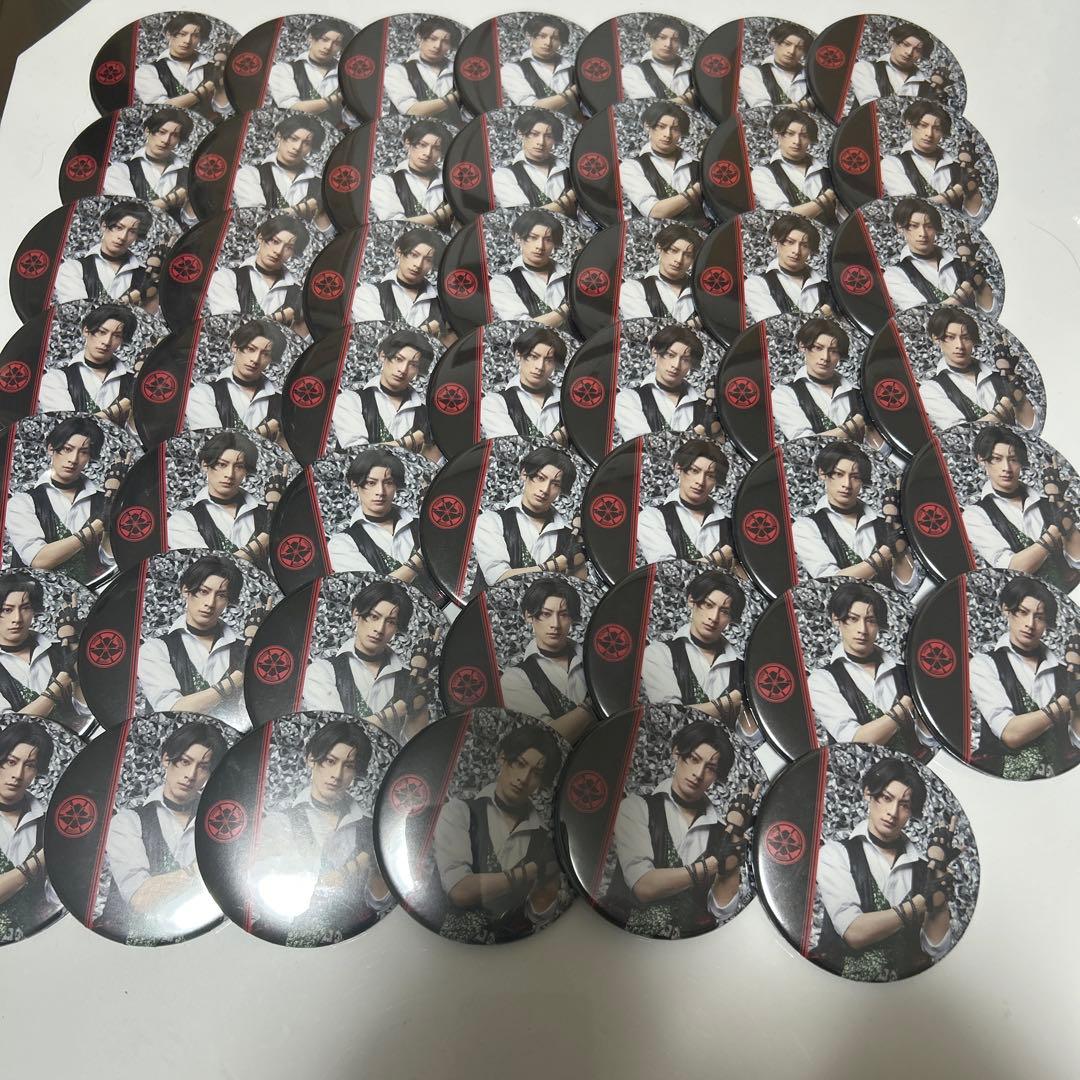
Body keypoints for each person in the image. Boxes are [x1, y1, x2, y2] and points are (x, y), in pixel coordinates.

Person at [814, 756, 958, 980]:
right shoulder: (836, 854)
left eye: (904, 805)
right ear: (868, 794)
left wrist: (938, 875)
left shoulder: (924, 869)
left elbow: (935, 949)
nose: (893, 812)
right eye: (886, 798)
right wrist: (920, 903)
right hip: (836, 983)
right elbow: (854, 932)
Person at [609, 720, 755, 938]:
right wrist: (712, 864)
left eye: (710, 768)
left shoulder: (721, 832)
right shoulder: (636, 808)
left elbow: (721, 910)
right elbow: (643, 887)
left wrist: (735, 834)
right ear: (677, 753)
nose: (698, 773)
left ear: (717, 777)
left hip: (688, 947)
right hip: (623, 941)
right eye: (694, 759)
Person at [253, 720, 392, 945]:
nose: (337, 774)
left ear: (356, 772)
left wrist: (373, 869)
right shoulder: (279, 823)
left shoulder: (369, 827)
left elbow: (380, 902)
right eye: (330, 761)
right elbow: (265, 900)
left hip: (359, 942)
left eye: (348, 766)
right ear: (311, 759)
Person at [98, 720, 228, 943]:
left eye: (203, 767)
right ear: (166, 759)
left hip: (202, 939)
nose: (191, 775)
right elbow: (141, 899)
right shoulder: (127, 822)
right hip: (127, 943)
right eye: (185, 761)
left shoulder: (220, 820)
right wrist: (203, 869)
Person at [434, 722, 563, 943]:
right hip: (445, 946)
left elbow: (537, 915)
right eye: (520, 764)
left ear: (541, 783)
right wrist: (533, 870)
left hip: (510, 950)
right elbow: (459, 891)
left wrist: (549, 887)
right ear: (502, 759)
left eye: (536, 773)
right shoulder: (459, 812)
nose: (524, 778)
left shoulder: (543, 839)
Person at [969, 575, 1080, 780]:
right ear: (1006, 610)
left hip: (1056, 781)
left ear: (1047, 623)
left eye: (1039, 617)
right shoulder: (984, 664)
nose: (1030, 624)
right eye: (1022, 612)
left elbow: (1075, 743)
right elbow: (1010, 734)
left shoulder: (1063, 672)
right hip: (1002, 781)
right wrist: (1065, 703)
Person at [807, 583, 932, 755]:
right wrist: (904, 707)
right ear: (836, 620)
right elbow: (855, 743)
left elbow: (928, 739)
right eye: (853, 619)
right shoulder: (822, 680)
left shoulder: (905, 670)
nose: (862, 630)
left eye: (871, 621)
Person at [302, 581, 434, 743]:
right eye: (374, 616)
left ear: (397, 628)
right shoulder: (322, 671)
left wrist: (420, 684)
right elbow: (337, 736)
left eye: (391, 622)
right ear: (356, 614)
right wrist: (401, 707)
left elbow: (413, 744)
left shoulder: (409, 678)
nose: (379, 629)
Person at [791, 441, 923, 595]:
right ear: (822, 473)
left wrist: (898, 532)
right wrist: (885, 553)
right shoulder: (805, 527)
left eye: (855, 477)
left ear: (862, 481)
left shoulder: (884, 523)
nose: (846, 484)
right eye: (839, 474)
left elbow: (908, 586)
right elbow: (831, 583)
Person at [136, 554, 253, 729]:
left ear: (228, 601)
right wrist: (235, 681)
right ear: (185, 590)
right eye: (203, 591)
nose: (210, 603)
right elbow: (172, 712)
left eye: (221, 595)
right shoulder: (155, 650)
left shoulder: (245, 648)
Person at [640, 570, 758, 742]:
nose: (713, 617)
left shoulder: (742, 669)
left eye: (724, 611)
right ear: (691, 601)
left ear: (731, 619)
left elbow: (751, 738)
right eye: (708, 605)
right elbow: (671, 719)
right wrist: (727, 703)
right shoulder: (659, 653)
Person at [962, 426, 1080, 593]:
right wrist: (1054, 532)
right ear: (982, 460)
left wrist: (1058, 500)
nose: (1006, 468)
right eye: (996, 459)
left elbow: (1077, 560)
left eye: (1013, 459)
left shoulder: (1047, 502)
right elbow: (1013, 569)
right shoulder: (976, 515)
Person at [5, 416, 119, 585]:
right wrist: (96, 527)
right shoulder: (22, 503)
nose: (73, 459)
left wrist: (116, 500)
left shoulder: (104, 501)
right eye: (67, 449)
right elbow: (39, 560)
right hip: (43, 596)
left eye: (83, 452)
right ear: (51, 449)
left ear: (90, 457)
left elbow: (109, 562)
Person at [326, 448, 445, 604]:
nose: (380, 492)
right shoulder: (342, 543)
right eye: (371, 483)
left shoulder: (424, 524)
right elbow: (377, 595)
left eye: (388, 483)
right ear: (354, 485)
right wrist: (421, 557)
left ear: (396, 486)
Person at [472, 445, 586, 588]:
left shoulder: (569, 536)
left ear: (561, 490)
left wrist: (578, 559)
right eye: (540, 478)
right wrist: (555, 565)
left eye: (555, 484)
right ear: (524, 474)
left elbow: (578, 590)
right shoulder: (491, 521)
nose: (545, 489)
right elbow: (497, 579)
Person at [166, 431, 283, 566]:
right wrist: (265, 538)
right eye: (222, 464)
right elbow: (213, 570)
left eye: (239, 466)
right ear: (205, 465)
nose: (230, 474)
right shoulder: (182, 520)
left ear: (246, 471)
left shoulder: (268, 511)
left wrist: (278, 507)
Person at [499, 577, 593, 743]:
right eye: (546, 614)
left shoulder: (593, 659)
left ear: (572, 618)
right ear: (529, 616)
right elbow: (546, 740)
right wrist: (592, 704)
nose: (555, 624)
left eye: (564, 615)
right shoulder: (515, 678)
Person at [919, 308, 1038, 433]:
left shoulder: (999, 376)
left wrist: (1010, 376)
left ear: (973, 341)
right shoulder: (931, 389)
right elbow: (965, 434)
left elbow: (1032, 428)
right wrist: (1007, 403)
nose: (959, 345)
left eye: (966, 338)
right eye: (950, 337)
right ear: (936, 339)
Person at [330, 328, 439, 461]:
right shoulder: (350, 401)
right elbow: (358, 454)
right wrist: (409, 441)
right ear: (383, 356)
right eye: (398, 359)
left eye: (413, 365)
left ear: (419, 371)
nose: (403, 370)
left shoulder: (427, 415)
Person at [0, 573, 91, 728]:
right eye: (7, 610)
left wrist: (72, 642)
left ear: (35, 611)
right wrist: (58, 686)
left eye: (25, 608)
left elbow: (85, 710)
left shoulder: (57, 650)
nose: (17, 618)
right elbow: (8, 729)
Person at [882, 198, 994, 314]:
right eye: (914, 226)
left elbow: (990, 311)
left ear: (936, 228)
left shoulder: (960, 263)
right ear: (900, 228)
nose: (923, 234)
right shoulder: (894, 274)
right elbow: (928, 315)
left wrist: (976, 274)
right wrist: (969, 284)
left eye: (929, 226)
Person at [637, 439, 737, 568]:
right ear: (678, 468)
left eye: (710, 475)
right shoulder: (652, 517)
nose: (700, 481)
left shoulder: (731, 526)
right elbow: (669, 570)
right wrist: (719, 557)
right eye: (694, 471)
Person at [0, 720, 58, 941]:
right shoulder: (50, 842)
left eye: (30, 765)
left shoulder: (47, 824)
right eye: (11, 761)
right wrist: (38, 861)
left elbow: (52, 901)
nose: (18, 774)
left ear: (37, 772)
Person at [206, 214, 309, 336]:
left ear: (293, 253)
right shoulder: (225, 278)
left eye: (288, 248)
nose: (278, 251)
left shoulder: (298, 293)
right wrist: (282, 316)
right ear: (260, 238)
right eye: (275, 241)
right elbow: (232, 329)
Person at [185, 318, 288, 441]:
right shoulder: (202, 393)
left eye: (265, 354)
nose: (255, 359)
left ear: (272, 359)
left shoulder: (282, 403)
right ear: (235, 346)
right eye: (250, 349)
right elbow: (215, 443)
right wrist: (266, 429)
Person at [37, 304, 140, 426]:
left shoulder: (134, 382)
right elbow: (69, 427)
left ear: (122, 340)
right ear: (86, 330)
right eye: (102, 332)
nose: (107, 342)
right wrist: (119, 408)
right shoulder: (56, 379)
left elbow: (137, 433)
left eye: (116, 336)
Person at [771, 317, 869, 442]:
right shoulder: (784, 394)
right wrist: (856, 422)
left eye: (833, 351)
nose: (825, 357)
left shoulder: (859, 394)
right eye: (818, 348)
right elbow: (806, 443)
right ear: (802, 346)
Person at [233, 114, 332, 235]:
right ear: (279, 137)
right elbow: (257, 221)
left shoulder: (320, 185)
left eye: (306, 143)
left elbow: (327, 234)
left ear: (311, 149)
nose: (297, 147)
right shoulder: (249, 174)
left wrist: (321, 212)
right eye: (293, 138)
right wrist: (304, 208)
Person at [613, 324, 716, 441]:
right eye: (670, 355)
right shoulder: (629, 399)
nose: (676, 365)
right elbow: (644, 447)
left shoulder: (704, 408)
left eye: (685, 359)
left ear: (691, 364)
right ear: (655, 352)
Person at [881, 100, 981, 218]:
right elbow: (911, 209)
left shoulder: (957, 168)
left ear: (943, 132)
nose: (929, 134)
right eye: (923, 125)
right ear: (909, 124)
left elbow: (974, 218)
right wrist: (959, 189)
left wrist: (972, 188)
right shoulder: (892, 164)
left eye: (937, 128)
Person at [54, 201, 157, 310]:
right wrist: (130, 299)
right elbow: (79, 312)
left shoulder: (145, 276)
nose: (122, 237)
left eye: (132, 232)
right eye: (118, 227)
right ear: (104, 226)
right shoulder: (72, 269)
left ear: (137, 237)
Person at [749, 108, 843, 225]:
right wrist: (829, 195)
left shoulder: (828, 172)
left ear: (810, 139)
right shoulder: (762, 174)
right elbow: (784, 218)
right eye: (790, 133)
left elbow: (844, 217)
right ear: (776, 134)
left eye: (804, 135)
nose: (797, 141)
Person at [133, 11, 232, 121]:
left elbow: (223, 110)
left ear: (200, 40)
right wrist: (207, 88)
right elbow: (163, 109)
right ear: (169, 35)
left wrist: (221, 84)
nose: (187, 41)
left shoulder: (213, 68)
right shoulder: (148, 71)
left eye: (195, 36)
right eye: (182, 34)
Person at [102, 107, 196, 224]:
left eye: (174, 135)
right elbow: (131, 215)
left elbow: (191, 221)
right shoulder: (119, 171)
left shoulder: (189, 175)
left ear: (179, 140)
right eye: (162, 132)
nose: (166, 140)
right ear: (147, 131)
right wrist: (174, 198)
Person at [350, 227, 447, 338]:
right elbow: (380, 339)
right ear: (399, 252)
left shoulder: (441, 304)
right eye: (414, 255)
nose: (418, 264)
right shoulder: (368, 293)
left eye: (428, 260)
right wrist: (428, 329)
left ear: (432, 265)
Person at [619, 101, 704, 224]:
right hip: (657, 235)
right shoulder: (631, 167)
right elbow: (655, 212)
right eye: (661, 126)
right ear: (648, 126)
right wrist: (698, 189)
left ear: (681, 133)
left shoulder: (698, 165)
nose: (667, 135)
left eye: (675, 129)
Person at [480, 326, 566, 440]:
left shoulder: (567, 402)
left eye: (548, 360)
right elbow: (514, 448)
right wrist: (564, 433)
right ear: (518, 355)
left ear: (555, 365)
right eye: (533, 356)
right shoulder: (494, 403)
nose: (540, 367)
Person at [744, 214, 835, 322]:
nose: (796, 251)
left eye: (804, 245)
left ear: (810, 250)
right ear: (775, 241)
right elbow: (773, 325)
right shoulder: (757, 284)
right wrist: (822, 313)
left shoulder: (828, 287)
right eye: (790, 242)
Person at [489, 209, 571, 328]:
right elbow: (526, 328)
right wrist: (570, 306)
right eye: (533, 237)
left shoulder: (572, 278)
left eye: (548, 239)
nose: (540, 246)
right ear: (518, 238)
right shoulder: (502, 283)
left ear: (555, 244)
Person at [268, 17, 354, 129]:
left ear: (341, 48)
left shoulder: (346, 75)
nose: (328, 47)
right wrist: (338, 98)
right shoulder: (284, 70)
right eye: (324, 39)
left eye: (336, 43)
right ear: (311, 38)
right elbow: (291, 109)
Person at [369, 119, 454, 228]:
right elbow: (397, 226)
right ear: (408, 143)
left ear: (441, 153)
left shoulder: (451, 183)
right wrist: (448, 210)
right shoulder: (384, 183)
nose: (428, 153)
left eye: (436, 148)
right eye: (422, 145)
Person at [492, 109, 575, 216]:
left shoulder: (570, 171)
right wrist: (571, 197)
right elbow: (526, 217)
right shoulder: (504, 175)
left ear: (555, 140)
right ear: (521, 134)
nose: (541, 142)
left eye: (548, 136)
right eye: (534, 134)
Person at [851, 21, 947, 107]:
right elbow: (871, 108)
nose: (909, 52)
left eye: (917, 50)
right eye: (906, 44)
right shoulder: (865, 68)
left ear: (921, 55)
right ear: (892, 41)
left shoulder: (926, 87)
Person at [383, 16, 462, 119]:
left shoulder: (460, 73)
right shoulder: (397, 71)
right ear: (419, 38)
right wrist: (457, 96)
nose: (437, 46)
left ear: (451, 47)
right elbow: (411, 110)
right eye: (432, 39)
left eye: (445, 42)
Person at [619, 223, 699, 321]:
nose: (679, 260)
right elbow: (647, 329)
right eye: (673, 250)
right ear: (659, 248)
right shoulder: (633, 289)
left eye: (687, 255)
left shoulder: (701, 292)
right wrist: (696, 323)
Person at [500, 15, 578, 115]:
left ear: (560, 43)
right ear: (529, 36)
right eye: (542, 36)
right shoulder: (512, 70)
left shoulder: (574, 70)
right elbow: (532, 108)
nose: (548, 43)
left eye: (555, 38)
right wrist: (574, 91)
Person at [739, 21, 814, 109]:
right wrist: (806, 104)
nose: (791, 51)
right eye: (787, 44)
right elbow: (763, 110)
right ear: (774, 42)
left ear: (804, 52)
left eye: (799, 48)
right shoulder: (752, 72)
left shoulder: (812, 77)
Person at [621, 16, 694, 104]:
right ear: (649, 37)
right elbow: (651, 106)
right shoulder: (633, 71)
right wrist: (689, 96)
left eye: (675, 40)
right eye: (662, 37)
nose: (668, 44)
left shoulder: (692, 71)